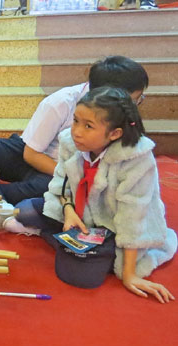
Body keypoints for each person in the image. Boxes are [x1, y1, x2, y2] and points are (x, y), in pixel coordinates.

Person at [11, 87, 176, 301]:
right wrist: (69, 212)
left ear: (115, 133)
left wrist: (129, 275)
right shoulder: (71, 143)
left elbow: (132, 217)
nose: (77, 131)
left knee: (83, 276)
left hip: (115, 226)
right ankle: (71, 242)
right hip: (81, 216)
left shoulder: (137, 159)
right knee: (23, 211)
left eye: (88, 126)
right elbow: (61, 184)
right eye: (76, 121)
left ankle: (65, 241)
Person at [0, 56, 149, 206]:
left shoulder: (123, 118)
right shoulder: (62, 102)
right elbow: (30, 153)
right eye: (135, 100)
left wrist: (76, 177)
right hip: (32, 155)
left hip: (62, 171)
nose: (137, 105)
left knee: (53, 189)